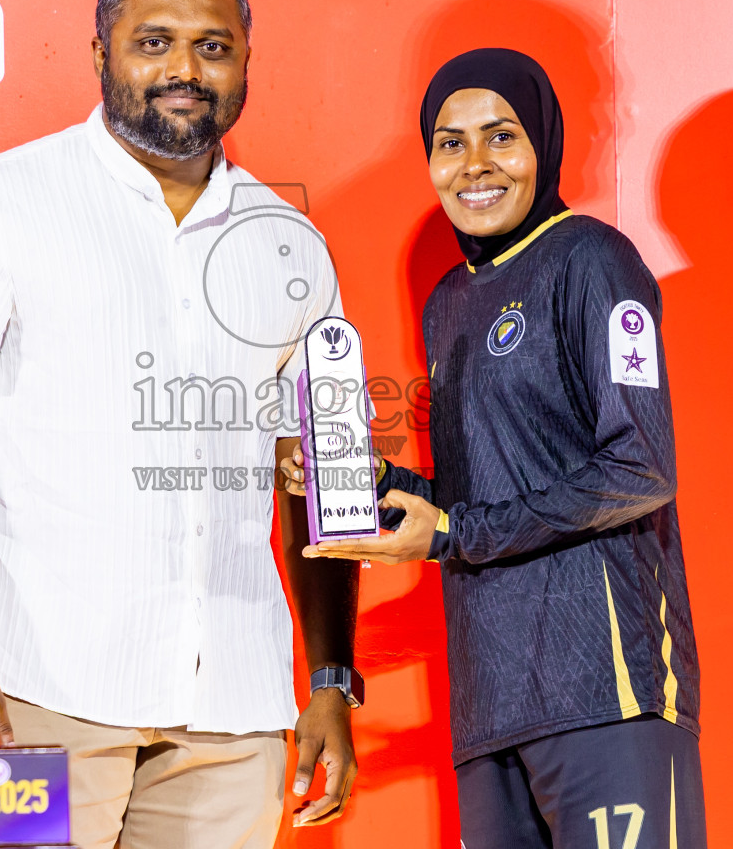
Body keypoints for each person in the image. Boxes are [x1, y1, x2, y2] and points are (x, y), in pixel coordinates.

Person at [0, 0, 361, 849]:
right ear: (100, 53)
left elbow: (320, 479)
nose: (184, 70)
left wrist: (330, 676)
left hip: (232, 711)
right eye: (154, 42)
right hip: (30, 690)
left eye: (213, 47)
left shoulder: (291, 244)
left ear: (247, 61)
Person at [294, 49, 706, 847]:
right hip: (490, 712)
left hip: (606, 694)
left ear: (543, 144)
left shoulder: (591, 258)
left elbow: (642, 466)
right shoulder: (448, 302)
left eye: (500, 136)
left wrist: (453, 535)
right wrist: (366, 481)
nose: (475, 165)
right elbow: (477, 501)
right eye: (449, 143)